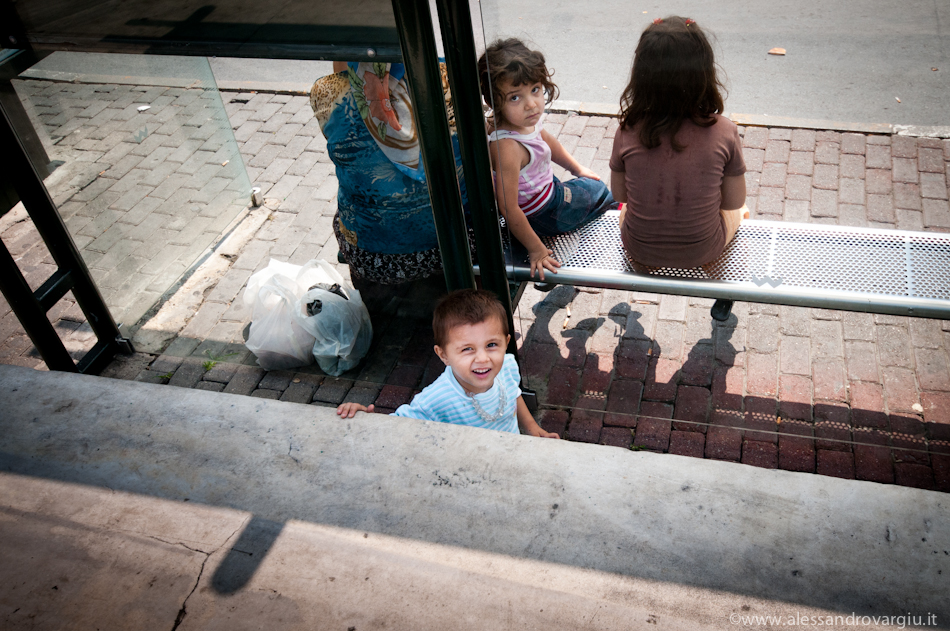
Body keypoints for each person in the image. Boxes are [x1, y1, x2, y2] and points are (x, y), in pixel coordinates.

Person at [609, 16, 748, 320]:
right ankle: (725, 288)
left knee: (626, 210)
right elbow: (733, 201)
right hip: (703, 249)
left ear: (641, 76)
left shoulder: (628, 129)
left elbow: (621, 195)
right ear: (704, 73)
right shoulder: (724, 131)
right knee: (743, 211)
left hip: (640, 249)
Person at [310, 61, 467, 312]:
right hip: (449, 246)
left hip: (370, 257)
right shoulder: (442, 75)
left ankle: (374, 306)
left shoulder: (326, 90)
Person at [478, 39, 618, 281]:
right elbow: (508, 208)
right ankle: (606, 233)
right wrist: (537, 251)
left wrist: (577, 168)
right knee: (601, 190)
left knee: (584, 182)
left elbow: (547, 140)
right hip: (546, 210)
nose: (531, 104)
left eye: (535, 90)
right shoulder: (508, 148)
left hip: (544, 190)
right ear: (493, 102)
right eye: (515, 98)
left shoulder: (522, 122)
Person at [337, 289, 558, 439]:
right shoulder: (437, 398)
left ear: (506, 343)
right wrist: (368, 419)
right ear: (443, 355)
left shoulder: (507, 366)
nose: (482, 358)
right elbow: (399, 426)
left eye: (491, 344)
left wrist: (532, 428)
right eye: (467, 349)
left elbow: (513, 394)